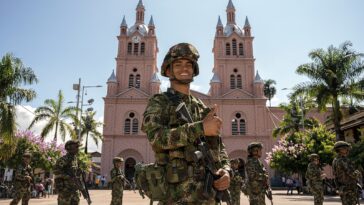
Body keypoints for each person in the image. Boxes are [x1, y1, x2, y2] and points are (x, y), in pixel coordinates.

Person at [142, 43, 231, 204]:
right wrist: (200, 128)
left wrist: (225, 170)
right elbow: (156, 138)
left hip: (208, 197)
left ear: (194, 69)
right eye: (178, 64)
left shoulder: (202, 107)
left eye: (189, 64)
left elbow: (219, 146)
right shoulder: (159, 103)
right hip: (175, 197)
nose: (184, 68)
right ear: (168, 70)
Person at [53, 140, 82, 205]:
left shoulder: (75, 160)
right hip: (65, 191)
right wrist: (67, 177)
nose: (77, 149)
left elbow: (76, 174)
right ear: (69, 148)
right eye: (76, 147)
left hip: (74, 191)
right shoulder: (63, 159)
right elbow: (56, 171)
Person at [332, 141, 361, 205]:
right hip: (349, 188)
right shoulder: (343, 160)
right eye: (345, 149)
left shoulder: (335, 160)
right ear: (340, 150)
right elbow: (352, 173)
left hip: (343, 187)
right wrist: (358, 173)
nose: (347, 150)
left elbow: (335, 176)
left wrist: (338, 187)